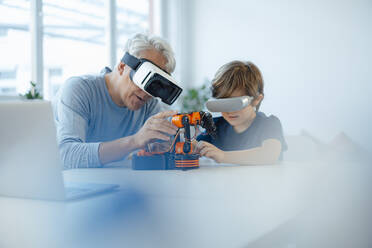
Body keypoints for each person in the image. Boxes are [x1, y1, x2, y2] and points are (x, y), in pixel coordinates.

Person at [53, 33, 179, 169]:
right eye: (144, 79)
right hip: (64, 182)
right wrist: (134, 141)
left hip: (113, 183)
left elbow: (165, 144)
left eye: (155, 86)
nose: (147, 93)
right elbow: (67, 156)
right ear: (122, 66)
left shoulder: (148, 103)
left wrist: (178, 142)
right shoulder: (80, 90)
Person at [196, 60, 288, 165]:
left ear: (256, 99)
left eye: (237, 103)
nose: (230, 111)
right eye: (224, 103)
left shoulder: (269, 124)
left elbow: (269, 154)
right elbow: (194, 146)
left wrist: (223, 156)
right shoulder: (215, 126)